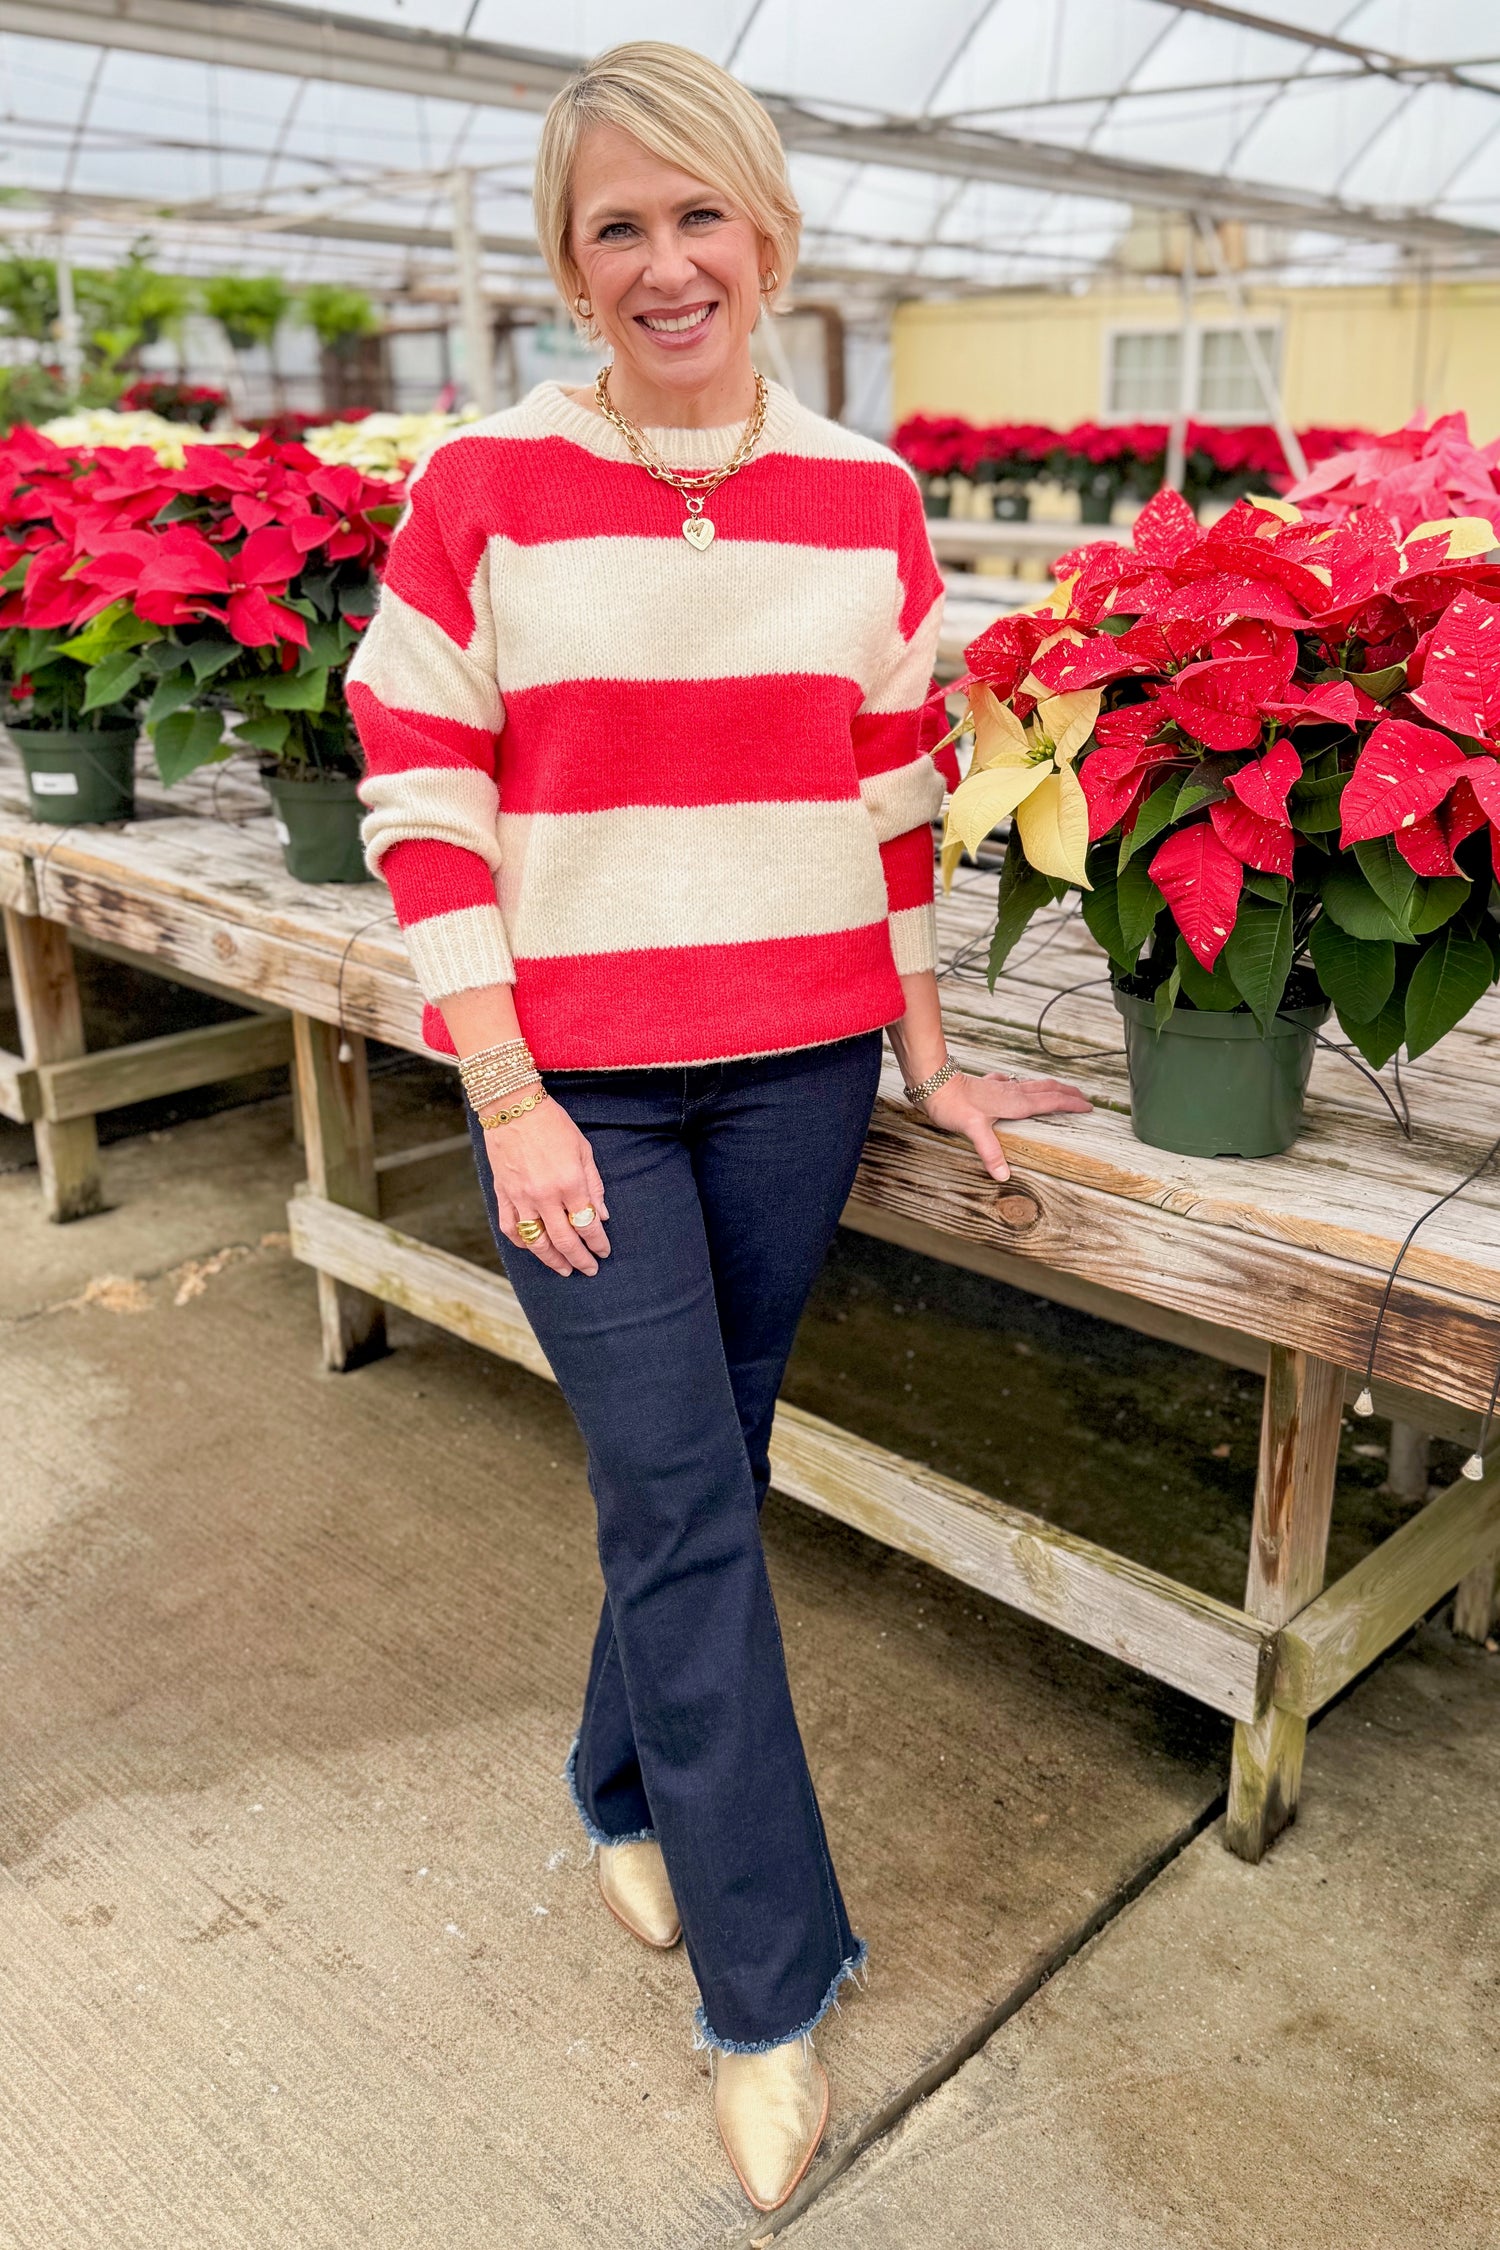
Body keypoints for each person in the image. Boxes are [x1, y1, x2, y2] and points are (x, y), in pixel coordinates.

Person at [348, 39, 1090, 2215]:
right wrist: (507, 1094)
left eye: (701, 217)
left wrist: (932, 1060)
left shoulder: (861, 498)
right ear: (572, 272)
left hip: (797, 1077)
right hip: (579, 1093)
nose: (666, 266)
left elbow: (890, 803)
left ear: (767, 232)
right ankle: (772, 1999)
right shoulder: (483, 486)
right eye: (616, 229)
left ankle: (614, 1783)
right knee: (683, 1500)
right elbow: (420, 794)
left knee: (701, 1475)